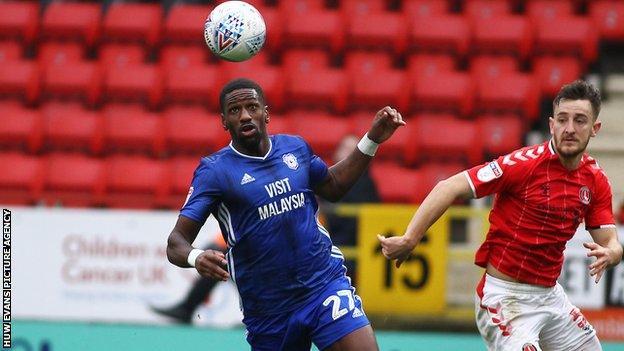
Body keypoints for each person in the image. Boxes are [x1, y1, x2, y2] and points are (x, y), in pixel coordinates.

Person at [378, 80, 622, 351]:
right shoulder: (522, 165)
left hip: (551, 298)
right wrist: (411, 238)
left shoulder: (595, 179)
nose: (569, 129)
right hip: (505, 299)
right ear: (551, 124)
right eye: (563, 120)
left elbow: (609, 239)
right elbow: (449, 186)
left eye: (580, 121)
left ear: (595, 129)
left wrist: (613, 253)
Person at [166, 78, 404, 351]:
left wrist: (372, 140)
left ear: (265, 112)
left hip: (323, 285)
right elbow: (176, 242)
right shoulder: (215, 172)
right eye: (235, 111)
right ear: (224, 121)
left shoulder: (295, 149)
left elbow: (334, 186)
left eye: (252, 107)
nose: (244, 115)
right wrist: (196, 257)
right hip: (269, 309)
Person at [322, 135, 381, 285]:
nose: (348, 153)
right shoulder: (325, 180)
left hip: (353, 252)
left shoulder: (366, 185)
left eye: (353, 149)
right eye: (345, 148)